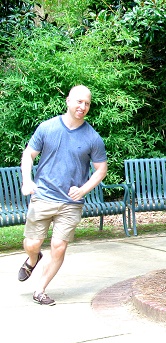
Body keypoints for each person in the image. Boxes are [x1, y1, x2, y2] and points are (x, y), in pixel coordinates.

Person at [17, 85, 108, 306]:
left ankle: (40, 290)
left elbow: (101, 169)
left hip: (70, 202)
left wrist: (83, 190)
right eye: (79, 101)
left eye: (87, 103)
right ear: (68, 101)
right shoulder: (47, 127)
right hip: (43, 196)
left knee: (59, 246)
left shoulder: (92, 137)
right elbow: (28, 155)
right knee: (32, 243)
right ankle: (33, 258)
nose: (82, 107)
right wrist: (27, 180)